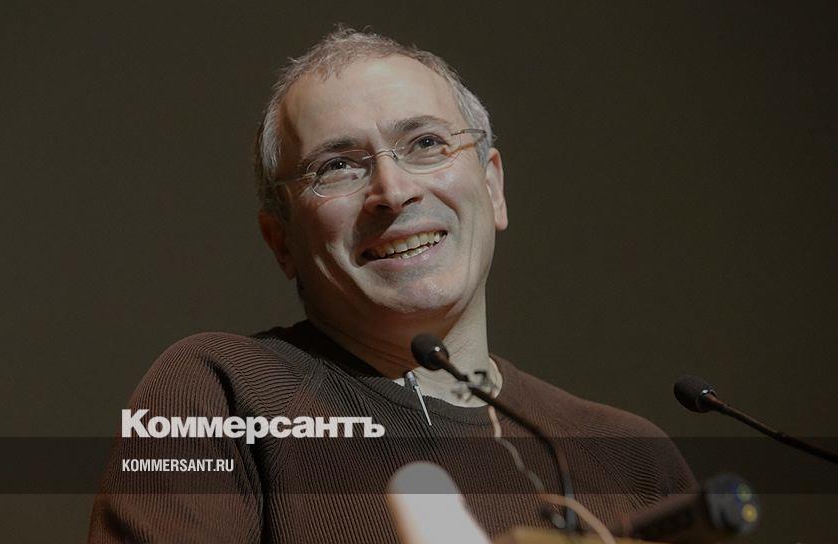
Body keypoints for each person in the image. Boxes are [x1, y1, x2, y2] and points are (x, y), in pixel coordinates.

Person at [89, 26, 695, 543]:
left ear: (493, 187)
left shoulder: (632, 456)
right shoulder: (216, 394)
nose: (393, 191)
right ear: (281, 242)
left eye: (426, 144)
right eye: (337, 166)